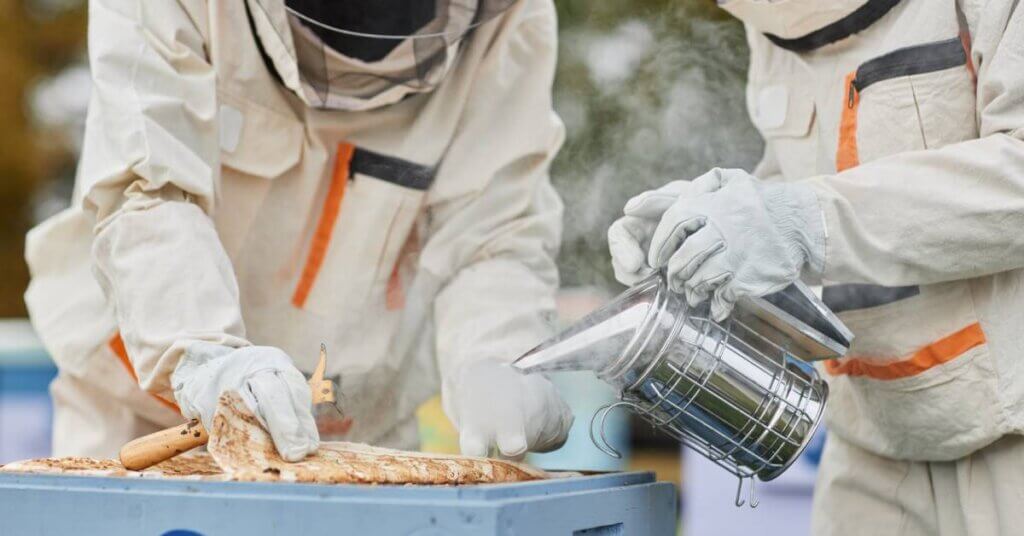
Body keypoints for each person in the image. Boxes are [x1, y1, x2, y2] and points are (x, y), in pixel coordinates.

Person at [25, 0, 572, 463]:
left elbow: (493, 234)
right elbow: (148, 190)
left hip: (361, 434)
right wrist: (205, 358)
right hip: (152, 421)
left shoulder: (508, 17)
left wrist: (498, 357)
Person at [608, 0, 1024, 533]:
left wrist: (802, 221)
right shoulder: (769, 21)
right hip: (870, 442)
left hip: (1012, 436)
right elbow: (798, 178)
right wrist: (704, 226)